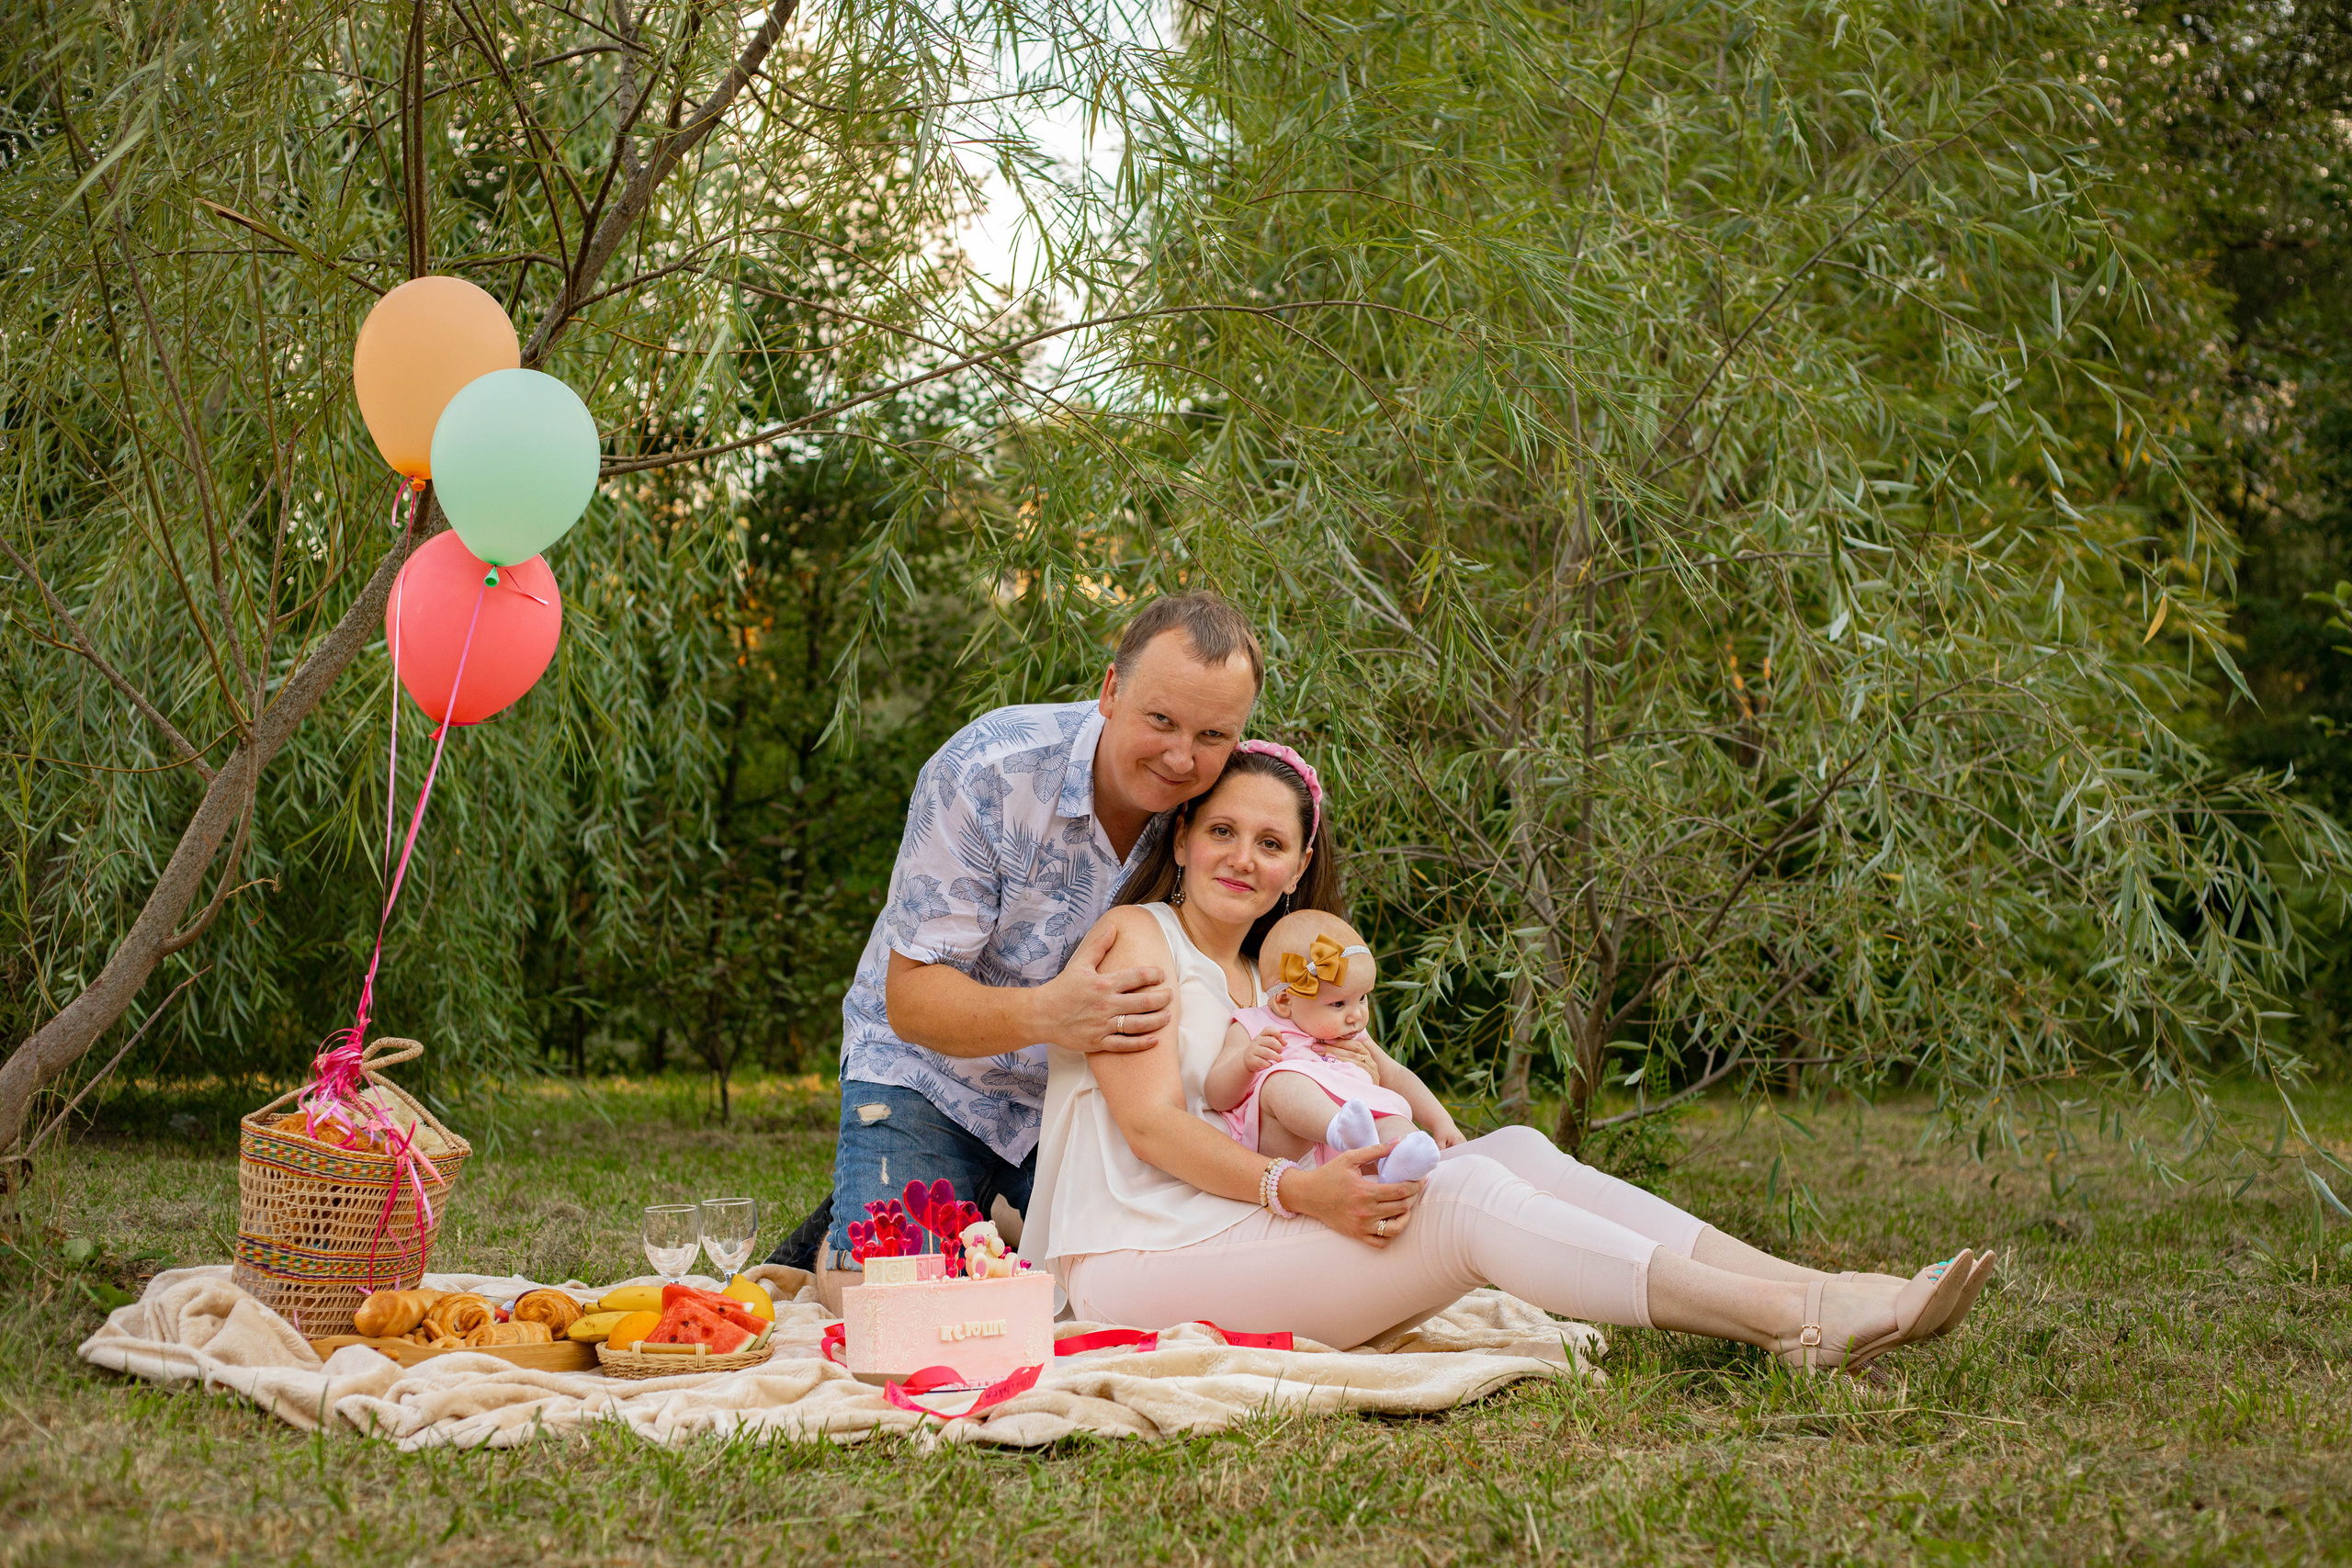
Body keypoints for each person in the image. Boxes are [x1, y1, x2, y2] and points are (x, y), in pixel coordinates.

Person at [1022, 746, 1998, 1371]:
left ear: (1297, 865)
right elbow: (1150, 1128)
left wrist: (1420, 1135)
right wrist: (1302, 1192)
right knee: (1468, 1203)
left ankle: (1820, 1286)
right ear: (1182, 836)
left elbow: (1371, 1077)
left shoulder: (1269, 976)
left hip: (1237, 1235)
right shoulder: (1136, 941)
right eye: (1223, 829)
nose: (1243, 854)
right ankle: (1791, 1321)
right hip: (1134, 1262)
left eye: (1271, 841)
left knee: (1516, 1152)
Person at [774, 593, 1265, 1310]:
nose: (1182, 756)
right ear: (1110, 690)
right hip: (932, 1075)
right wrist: (1051, 1013)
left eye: (1214, 734)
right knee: (892, 1307)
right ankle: (848, 1243)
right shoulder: (986, 770)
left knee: (1145, 1284)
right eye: (1160, 719)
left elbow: (1286, 928)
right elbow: (908, 1001)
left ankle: (992, 1216)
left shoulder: (1226, 809)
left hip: (1086, 1100)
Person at [1204, 898, 1453, 1182]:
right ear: (1285, 1000)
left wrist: (1440, 1120)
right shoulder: (1255, 1027)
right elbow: (1216, 1096)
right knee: (1283, 1082)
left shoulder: (1356, 1037)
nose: (1356, 1015)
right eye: (1338, 1004)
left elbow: (1395, 1074)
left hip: (1357, 1153)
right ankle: (1340, 1129)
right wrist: (1245, 1063)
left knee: (1389, 1115)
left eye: (1362, 998)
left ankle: (1399, 1166)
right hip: (1290, 1156)